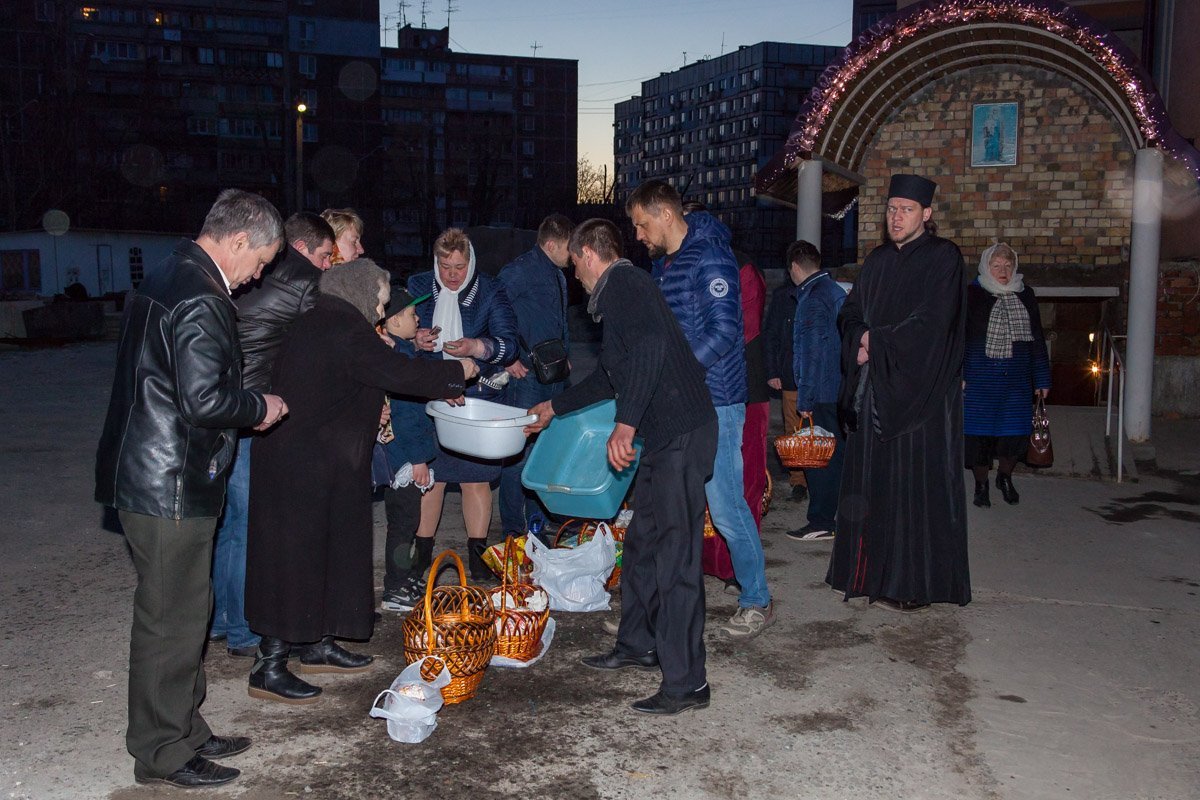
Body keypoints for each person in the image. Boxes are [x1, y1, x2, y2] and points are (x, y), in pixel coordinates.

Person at [95, 189, 288, 789]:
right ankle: (162, 752)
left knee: (186, 609)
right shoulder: (202, 294)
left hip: (151, 474)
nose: (257, 278)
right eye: (258, 263)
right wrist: (260, 405)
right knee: (170, 619)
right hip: (167, 482)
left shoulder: (170, 273)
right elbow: (204, 399)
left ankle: (185, 727)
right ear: (236, 241)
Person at [244, 259, 472, 704]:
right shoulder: (341, 326)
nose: (382, 309)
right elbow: (397, 372)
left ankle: (317, 641)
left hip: (325, 459)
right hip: (303, 463)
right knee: (296, 558)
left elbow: (352, 379)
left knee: (331, 550)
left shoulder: (326, 320)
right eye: (382, 299)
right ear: (362, 292)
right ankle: (268, 666)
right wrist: (454, 373)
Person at [525, 219, 717, 716]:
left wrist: (625, 426)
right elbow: (612, 378)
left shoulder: (626, 284)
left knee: (676, 559)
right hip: (665, 437)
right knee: (643, 545)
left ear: (589, 254)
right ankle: (639, 643)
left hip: (681, 433)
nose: (576, 279)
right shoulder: (619, 295)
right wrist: (555, 407)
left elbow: (652, 351)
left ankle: (688, 683)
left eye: (575, 268)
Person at [626, 179, 773, 638]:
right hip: (679, 400)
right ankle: (657, 609)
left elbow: (725, 330)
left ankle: (757, 599)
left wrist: (679, 374)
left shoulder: (710, 255)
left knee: (726, 508)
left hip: (717, 401)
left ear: (665, 214)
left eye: (642, 224)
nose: (638, 235)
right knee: (670, 509)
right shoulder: (666, 265)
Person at [827, 173, 970, 612]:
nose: (896, 217)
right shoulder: (877, 261)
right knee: (873, 488)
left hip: (921, 399)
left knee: (914, 492)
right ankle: (868, 573)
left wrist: (878, 342)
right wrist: (861, 339)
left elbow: (934, 323)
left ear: (926, 214)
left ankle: (913, 585)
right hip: (876, 392)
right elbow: (848, 314)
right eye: (891, 209)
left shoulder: (944, 258)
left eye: (905, 210)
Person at [209, 212, 335, 659]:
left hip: (228, 408)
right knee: (247, 526)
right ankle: (244, 630)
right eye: (325, 255)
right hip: (253, 409)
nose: (328, 265)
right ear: (301, 249)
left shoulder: (244, 281)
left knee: (227, 525)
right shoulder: (301, 282)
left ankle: (224, 620)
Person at [408, 228, 519, 582]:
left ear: (470, 262)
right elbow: (392, 331)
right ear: (435, 261)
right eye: (445, 266)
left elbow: (509, 344)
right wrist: (415, 340)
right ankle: (421, 554)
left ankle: (477, 554)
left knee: (476, 480)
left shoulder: (490, 289)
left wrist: (476, 348)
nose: (452, 274)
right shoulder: (418, 285)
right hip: (430, 398)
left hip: (477, 400)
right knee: (432, 479)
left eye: (459, 266)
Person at [681, 200, 768, 594]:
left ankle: (753, 591)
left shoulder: (730, 264)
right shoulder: (678, 265)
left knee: (731, 499)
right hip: (697, 392)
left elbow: (735, 332)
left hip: (733, 389)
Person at [497, 214, 575, 541]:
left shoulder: (556, 274)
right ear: (552, 244)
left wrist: (566, 355)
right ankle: (515, 531)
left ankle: (537, 526)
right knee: (518, 455)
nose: (575, 255)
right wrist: (508, 355)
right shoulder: (520, 271)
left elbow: (558, 321)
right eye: (571, 248)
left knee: (544, 453)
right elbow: (494, 307)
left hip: (552, 374)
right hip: (526, 377)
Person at [963, 243, 1051, 507]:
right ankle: (981, 484)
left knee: (1013, 437)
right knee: (979, 440)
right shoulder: (971, 295)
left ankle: (1005, 477)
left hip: (1016, 383)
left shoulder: (1026, 295)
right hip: (979, 382)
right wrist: (958, 374)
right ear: (986, 267)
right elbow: (958, 338)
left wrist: (1042, 379)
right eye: (997, 265)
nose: (1003, 270)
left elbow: (1037, 339)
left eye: (1008, 265)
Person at [377, 284, 438, 612]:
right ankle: (395, 588)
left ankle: (401, 579)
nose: (417, 318)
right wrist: (418, 460)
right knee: (403, 523)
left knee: (407, 521)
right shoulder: (399, 359)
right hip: (403, 458)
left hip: (400, 456)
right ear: (393, 322)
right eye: (412, 314)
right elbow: (407, 415)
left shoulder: (398, 351)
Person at [782, 240, 847, 541]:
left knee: (819, 458)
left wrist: (805, 399)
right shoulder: (836, 291)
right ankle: (836, 514)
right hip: (839, 387)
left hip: (821, 390)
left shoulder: (811, 300)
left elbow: (811, 353)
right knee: (837, 454)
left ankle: (821, 520)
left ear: (795, 267)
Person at [764, 251, 810, 502]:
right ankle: (798, 480)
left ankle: (816, 479)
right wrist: (772, 371)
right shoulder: (784, 297)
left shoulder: (821, 293)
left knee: (818, 431)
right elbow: (771, 334)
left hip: (815, 377)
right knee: (793, 430)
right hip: (791, 375)